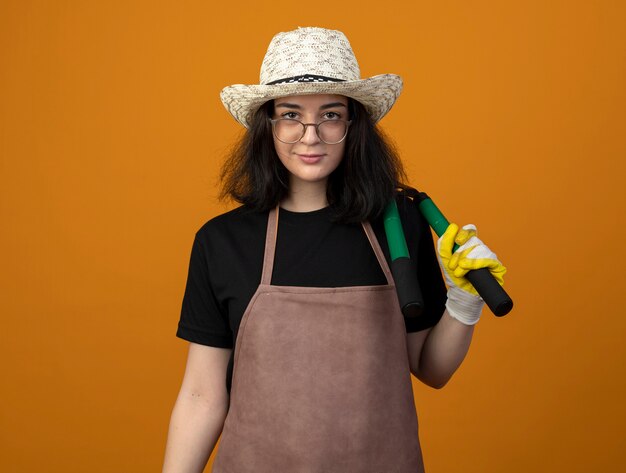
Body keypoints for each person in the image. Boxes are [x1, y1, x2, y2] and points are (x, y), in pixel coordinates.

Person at [162, 27, 506, 473]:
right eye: (290, 114)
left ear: (353, 124)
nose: (310, 135)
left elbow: (431, 370)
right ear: (266, 125)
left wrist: (464, 303)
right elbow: (201, 395)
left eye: (330, 114)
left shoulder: (399, 225)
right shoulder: (222, 241)